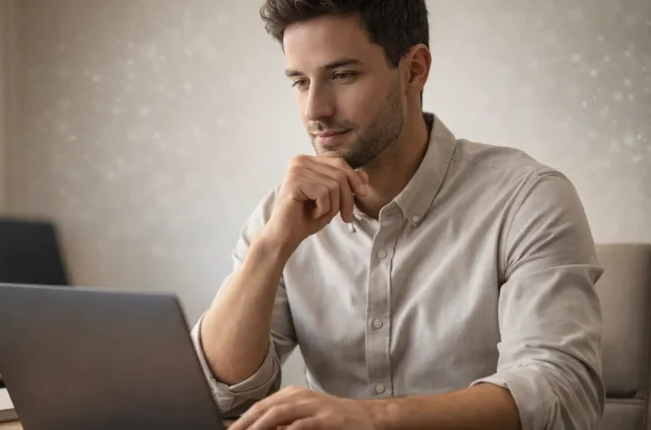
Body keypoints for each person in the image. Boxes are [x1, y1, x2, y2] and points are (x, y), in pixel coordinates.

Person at [190, 1, 604, 429]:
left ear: (414, 69)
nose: (314, 111)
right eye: (299, 81)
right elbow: (220, 394)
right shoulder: (282, 215)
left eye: (342, 75)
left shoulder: (526, 199)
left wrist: (372, 419)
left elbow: (564, 393)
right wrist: (271, 247)